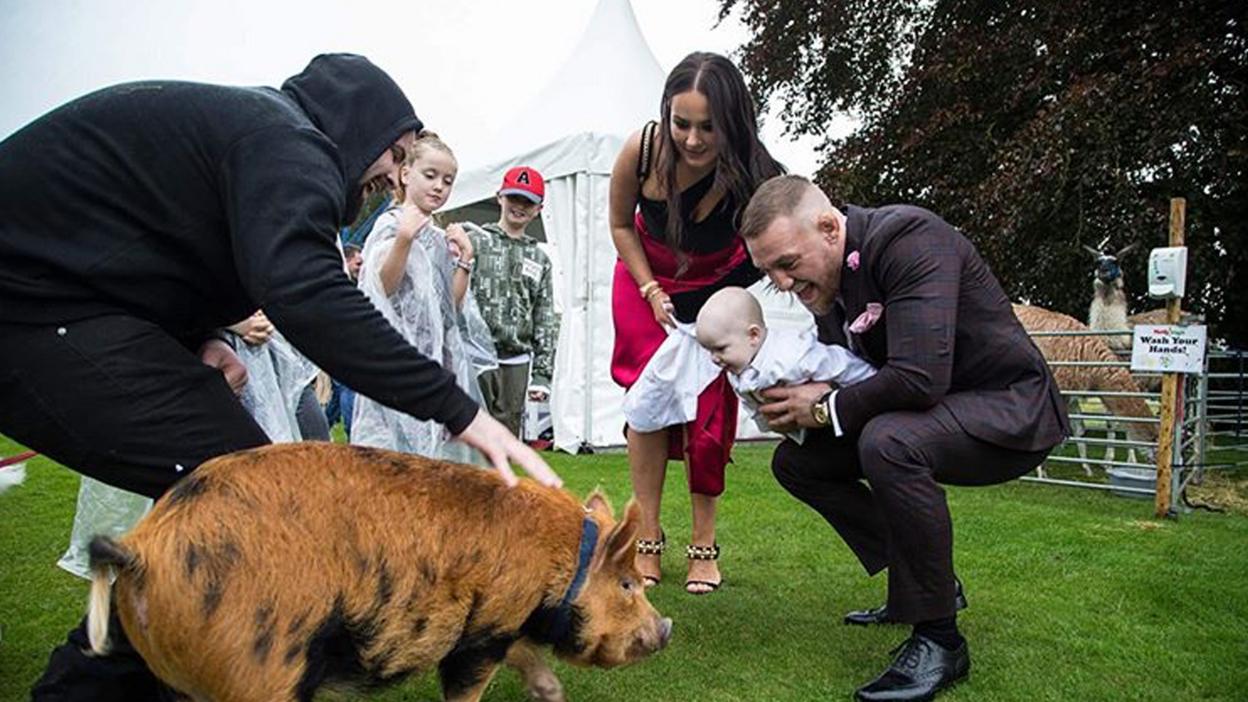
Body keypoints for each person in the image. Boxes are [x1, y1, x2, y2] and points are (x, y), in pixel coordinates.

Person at [0, 53, 558, 701]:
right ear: (358, 126)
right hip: (27, 306)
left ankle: (128, 673)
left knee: (237, 508)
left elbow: (142, 243)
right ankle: (115, 680)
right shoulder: (290, 143)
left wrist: (200, 339)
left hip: (57, 299)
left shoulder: (263, 135)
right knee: (250, 502)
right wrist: (460, 410)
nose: (393, 173)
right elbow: (306, 293)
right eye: (396, 152)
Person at [738, 175, 1070, 701]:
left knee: (889, 441)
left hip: (1010, 408)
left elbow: (919, 377)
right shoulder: (827, 288)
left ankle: (941, 639)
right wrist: (790, 400)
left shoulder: (910, 238)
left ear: (828, 227)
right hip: (933, 413)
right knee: (796, 464)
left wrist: (823, 408)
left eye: (787, 263)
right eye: (768, 272)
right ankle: (920, 580)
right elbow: (855, 373)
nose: (780, 283)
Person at [608, 51, 785, 595]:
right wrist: (650, 287)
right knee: (648, 408)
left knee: (707, 413)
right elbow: (620, 224)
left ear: (732, 121)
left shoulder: (756, 170)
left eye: (708, 127)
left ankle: (704, 546)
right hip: (646, 285)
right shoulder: (643, 151)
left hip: (716, 290)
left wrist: (731, 296)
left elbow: (775, 239)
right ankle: (647, 538)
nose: (692, 138)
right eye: (681, 122)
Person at [351, 131, 496, 464]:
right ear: (405, 173)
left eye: (447, 181)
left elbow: (450, 309)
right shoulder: (390, 225)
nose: (439, 187)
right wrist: (404, 238)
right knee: (392, 459)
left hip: (436, 360)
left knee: (436, 464)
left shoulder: (438, 237)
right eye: (430, 176)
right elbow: (381, 288)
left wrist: (464, 260)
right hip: (395, 360)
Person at [695, 286, 877, 443]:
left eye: (720, 349)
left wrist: (870, 384)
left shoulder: (791, 356)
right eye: (709, 351)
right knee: (789, 461)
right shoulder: (736, 371)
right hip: (812, 429)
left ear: (753, 335)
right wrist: (773, 425)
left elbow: (839, 363)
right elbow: (753, 406)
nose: (714, 358)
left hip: (856, 410)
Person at [462, 166, 560, 438]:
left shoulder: (540, 259)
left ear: (538, 209)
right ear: (499, 198)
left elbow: (545, 318)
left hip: (515, 361)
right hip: (475, 356)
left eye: (527, 202)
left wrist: (542, 375)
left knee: (504, 441)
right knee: (469, 435)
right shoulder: (475, 242)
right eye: (514, 198)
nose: (519, 206)